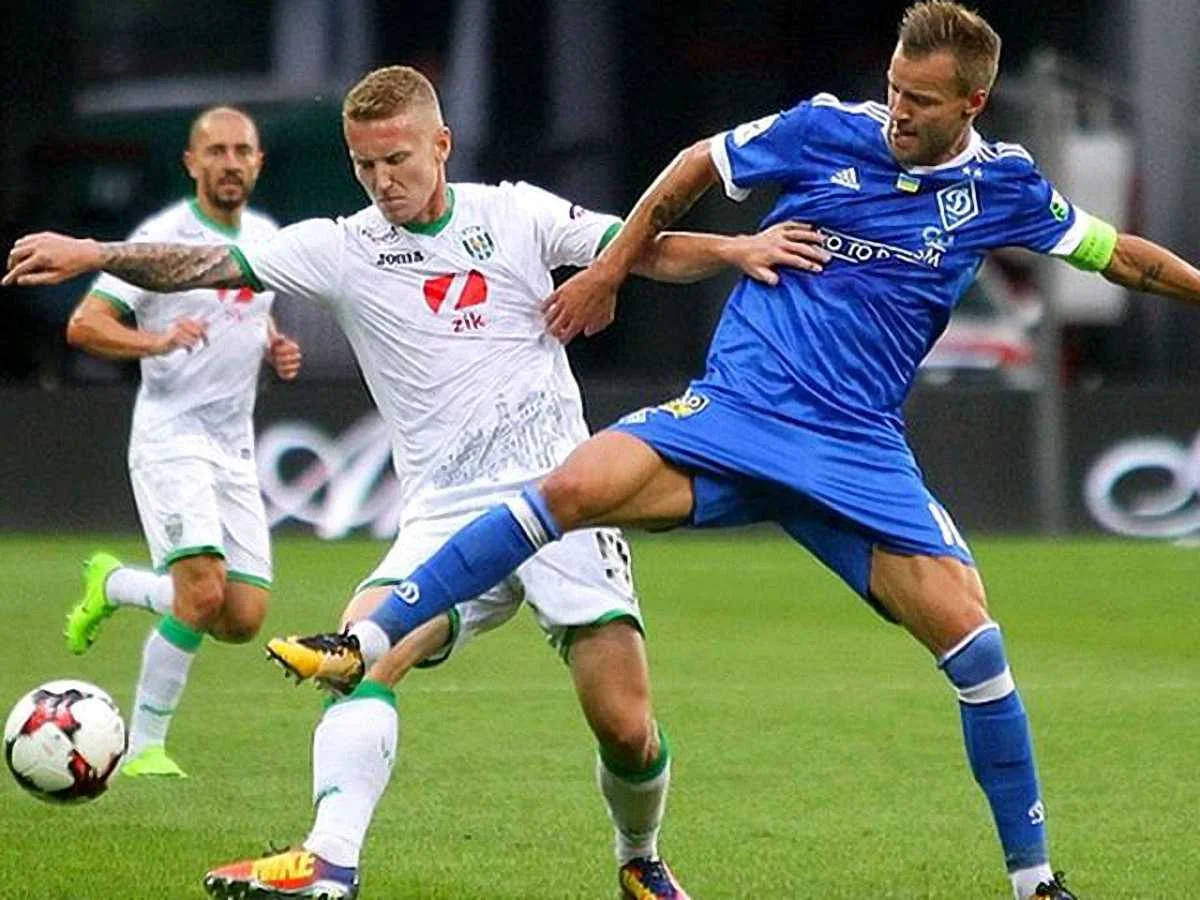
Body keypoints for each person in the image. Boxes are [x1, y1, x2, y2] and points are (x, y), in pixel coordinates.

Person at [214, 1, 1200, 896]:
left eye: (920, 101)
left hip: (855, 446)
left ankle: (1034, 882)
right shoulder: (825, 130)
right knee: (571, 484)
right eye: (894, 87)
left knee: (977, 649)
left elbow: (1122, 256)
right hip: (737, 413)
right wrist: (611, 270)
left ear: (972, 103)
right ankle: (368, 642)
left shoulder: (1004, 187)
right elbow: (694, 165)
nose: (896, 111)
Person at [3, 67, 828, 899]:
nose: (381, 181)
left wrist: (732, 249)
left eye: (396, 160)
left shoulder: (514, 214)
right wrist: (95, 254)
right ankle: (328, 860)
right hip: (444, 514)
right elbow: (209, 261)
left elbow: (637, 248)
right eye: (363, 165)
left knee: (625, 727)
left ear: (442, 145)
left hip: (565, 499)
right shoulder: (342, 247)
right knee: (356, 656)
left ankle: (639, 858)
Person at [58, 106, 301, 779]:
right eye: (216, 151)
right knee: (200, 593)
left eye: (242, 151)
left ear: (258, 163)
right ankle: (143, 749)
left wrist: (274, 344)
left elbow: (246, 312)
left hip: (234, 447)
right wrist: (156, 340)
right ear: (191, 163)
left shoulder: (264, 239)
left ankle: (117, 583)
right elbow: (85, 324)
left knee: (242, 617)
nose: (230, 162)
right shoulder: (161, 238)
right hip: (171, 436)